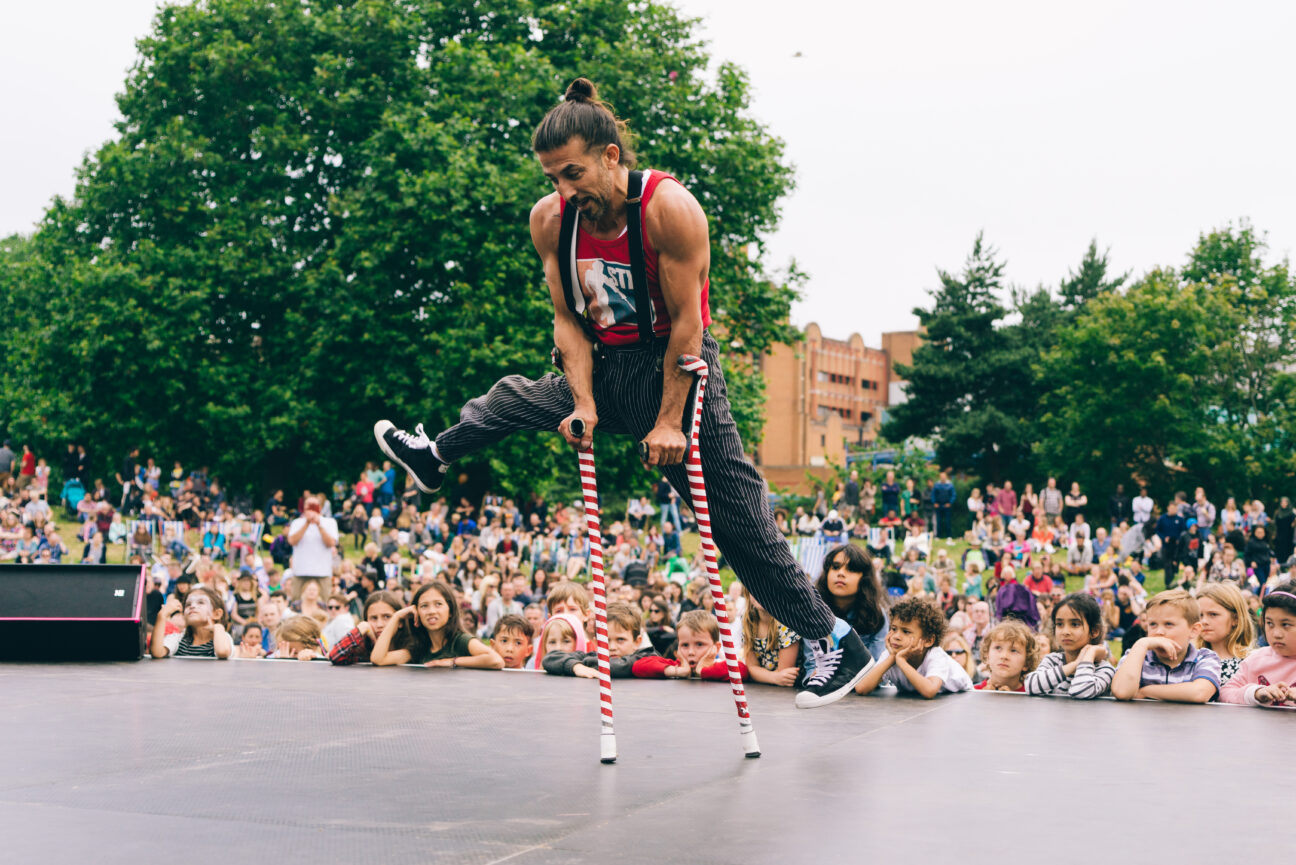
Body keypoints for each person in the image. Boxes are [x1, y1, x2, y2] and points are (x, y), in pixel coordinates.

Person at [372, 79, 873, 709]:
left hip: (679, 370)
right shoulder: (552, 221)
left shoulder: (669, 210)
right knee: (515, 397)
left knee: (738, 525)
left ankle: (836, 639)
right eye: (552, 176)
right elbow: (568, 324)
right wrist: (582, 403)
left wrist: (668, 423)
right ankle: (436, 455)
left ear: (612, 156)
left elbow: (689, 331)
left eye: (573, 172)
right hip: (607, 365)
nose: (563, 190)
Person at [1111, 589, 1221, 703]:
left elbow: (1200, 692)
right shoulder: (1136, 656)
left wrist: (1145, 691)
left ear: (1193, 630)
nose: (1159, 631)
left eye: (1169, 624)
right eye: (1153, 624)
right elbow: (1121, 691)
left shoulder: (1206, 658)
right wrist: (1141, 644)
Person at [854, 597, 972, 698]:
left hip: (964, 697)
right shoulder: (891, 654)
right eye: (894, 629)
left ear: (928, 640)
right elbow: (861, 688)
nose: (896, 636)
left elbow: (929, 691)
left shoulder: (936, 655)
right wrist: (892, 658)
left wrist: (901, 661)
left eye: (906, 631)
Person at [371, 582, 504, 669]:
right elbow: (379, 659)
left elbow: (496, 660)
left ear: (450, 611)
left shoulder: (460, 641)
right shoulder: (418, 648)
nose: (431, 611)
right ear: (417, 613)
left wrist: (452, 661)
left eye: (438, 604)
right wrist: (396, 617)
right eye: (424, 606)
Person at [1025, 593, 1114, 699]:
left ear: (1094, 631)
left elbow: (1081, 691)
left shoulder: (1105, 669)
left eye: (1075, 624)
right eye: (1060, 624)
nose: (1065, 632)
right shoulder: (1052, 660)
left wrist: (1089, 655)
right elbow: (1031, 685)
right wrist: (1075, 664)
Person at [1221, 582, 1296, 706]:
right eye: (1270, 623)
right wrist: (1256, 692)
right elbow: (1225, 693)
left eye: (1286, 624)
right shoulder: (1255, 660)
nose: (1276, 634)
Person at [543, 602, 653, 678]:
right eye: (605, 641)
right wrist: (575, 666)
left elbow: (622, 666)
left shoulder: (647, 659)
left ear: (637, 642)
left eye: (620, 639)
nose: (612, 647)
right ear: (596, 642)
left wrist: (588, 664)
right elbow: (550, 658)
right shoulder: (592, 656)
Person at [632, 610, 749, 681]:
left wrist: (703, 671)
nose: (691, 652)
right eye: (685, 645)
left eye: (699, 644)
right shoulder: (676, 666)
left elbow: (742, 670)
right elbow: (638, 666)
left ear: (716, 648)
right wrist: (678, 671)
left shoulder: (721, 667)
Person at [1194, 582, 1254, 685]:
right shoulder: (1190, 659)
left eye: (1213, 614)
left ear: (1235, 619)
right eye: (1200, 615)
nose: (1204, 621)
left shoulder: (1252, 662)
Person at [149, 585, 233, 659]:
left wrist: (218, 627)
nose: (192, 606)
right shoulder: (178, 639)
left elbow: (222, 652)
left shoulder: (223, 638)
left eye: (200, 602)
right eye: (188, 604)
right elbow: (157, 653)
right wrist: (162, 616)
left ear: (217, 614)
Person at [741, 587, 800, 688]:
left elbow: (785, 673)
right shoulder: (748, 620)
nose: (761, 594)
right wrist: (774, 677)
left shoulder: (787, 621)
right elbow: (751, 668)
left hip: (791, 690)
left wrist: (760, 674)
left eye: (767, 588)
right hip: (764, 687)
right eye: (755, 589)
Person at [286, 496, 339, 603]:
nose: (311, 510)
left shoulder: (329, 522)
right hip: (300, 571)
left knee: (324, 602)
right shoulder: (297, 523)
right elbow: (292, 541)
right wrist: (306, 523)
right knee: (297, 602)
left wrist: (319, 525)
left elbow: (331, 543)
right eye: (308, 507)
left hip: (322, 571)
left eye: (313, 507)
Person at [327, 590, 402, 666]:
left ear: (400, 621)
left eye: (387, 617)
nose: (379, 624)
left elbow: (379, 659)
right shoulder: (364, 646)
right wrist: (361, 628)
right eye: (374, 618)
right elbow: (335, 656)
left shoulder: (408, 646)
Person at [973, 620, 1038, 692]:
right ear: (987, 656)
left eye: (1013, 650)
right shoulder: (972, 692)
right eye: (998, 648)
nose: (1004, 656)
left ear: (1027, 662)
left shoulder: (1032, 697)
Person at [932, 471, 955, 541]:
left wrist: (950, 503)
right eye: (941, 476)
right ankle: (938, 536)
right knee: (938, 521)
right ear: (940, 477)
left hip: (947, 505)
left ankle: (949, 536)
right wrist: (934, 502)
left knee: (948, 521)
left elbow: (953, 495)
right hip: (938, 505)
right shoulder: (936, 485)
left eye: (944, 476)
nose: (942, 477)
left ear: (946, 477)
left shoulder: (950, 485)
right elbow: (933, 495)